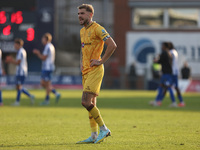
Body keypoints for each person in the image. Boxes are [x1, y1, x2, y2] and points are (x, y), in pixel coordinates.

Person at [76, 4, 117, 144]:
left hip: (95, 70)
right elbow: (83, 49)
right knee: (91, 103)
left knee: (85, 101)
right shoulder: (82, 31)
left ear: (90, 15)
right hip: (86, 71)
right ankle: (94, 135)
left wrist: (101, 61)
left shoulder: (98, 29)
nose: (79, 16)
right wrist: (82, 62)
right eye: (78, 13)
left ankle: (104, 129)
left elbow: (112, 45)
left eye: (82, 13)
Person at [33, 33, 61, 105]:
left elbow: (43, 58)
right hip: (50, 67)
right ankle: (55, 94)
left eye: (43, 39)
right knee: (45, 84)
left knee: (44, 84)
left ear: (46, 39)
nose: (42, 40)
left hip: (47, 68)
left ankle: (48, 99)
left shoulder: (47, 47)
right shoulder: (51, 46)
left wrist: (38, 53)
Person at [5, 38, 34, 106]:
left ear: (18, 44)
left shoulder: (21, 51)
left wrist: (11, 60)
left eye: (15, 44)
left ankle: (17, 102)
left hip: (22, 72)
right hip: (20, 72)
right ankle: (30, 96)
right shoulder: (20, 51)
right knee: (18, 87)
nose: (14, 46)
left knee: (19, 86)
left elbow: (18, 62)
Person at [150, 42, 176, 107]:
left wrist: (155, 60)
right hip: (167, 73)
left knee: (168, 87)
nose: (161, 47)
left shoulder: (164, 53)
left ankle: (174, 102)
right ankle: (157, 101)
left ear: (165, 46)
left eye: (162, 45)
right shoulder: (169, 53)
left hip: (166, 74)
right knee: (161, 87)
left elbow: (159, 61)